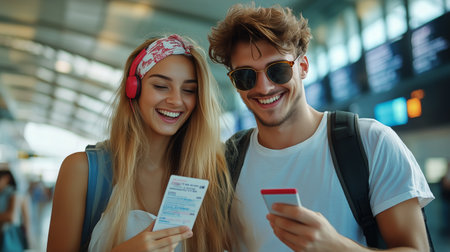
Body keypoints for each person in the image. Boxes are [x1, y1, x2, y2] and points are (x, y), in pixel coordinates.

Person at [208, 4, 434, 252]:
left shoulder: (371, 142)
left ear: (303, 67)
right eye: (245, 76)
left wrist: (336, 246)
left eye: (278, 70)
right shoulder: (227, 161)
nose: (263, 87)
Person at [47, 34, 234, 252]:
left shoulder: (211, 175)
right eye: (161, 86)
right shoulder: (83, 171)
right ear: (133, 89)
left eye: (189, 90)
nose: (176, 100)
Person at [0, 169, 29, 251]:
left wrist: (27, 238)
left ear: (6, 178)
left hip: (9, 234)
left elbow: (11, 217)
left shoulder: (14, 194)